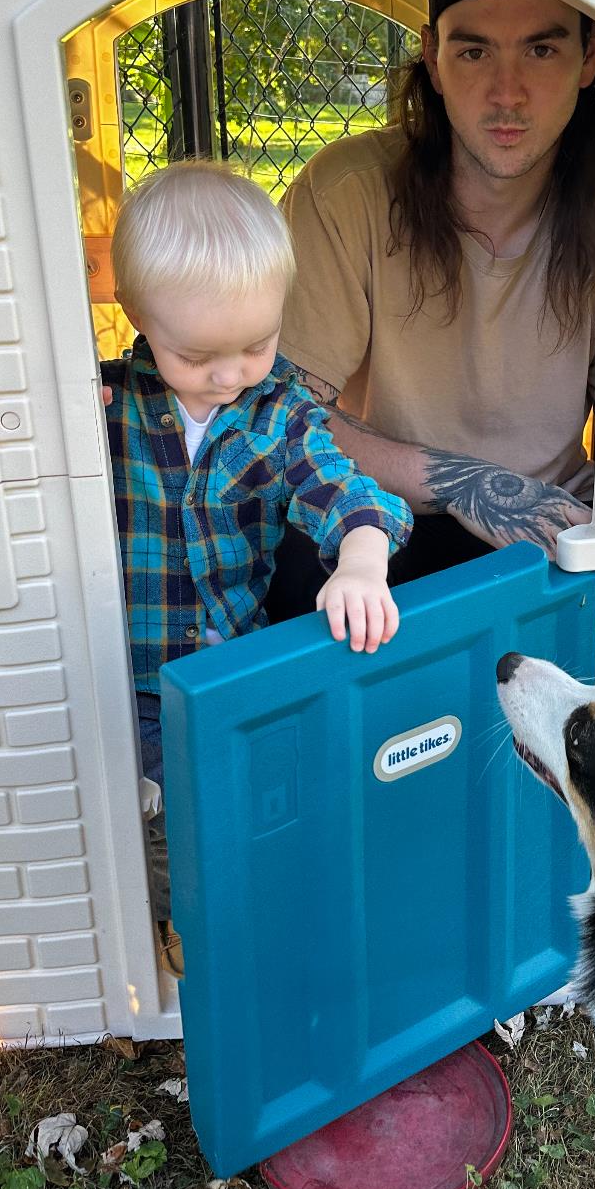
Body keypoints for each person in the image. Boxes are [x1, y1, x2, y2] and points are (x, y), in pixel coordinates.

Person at [101, 162, 412, 945]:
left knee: (245, 803)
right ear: (135, 314)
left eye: (255, 345)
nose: (229, 374)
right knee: (147, 824)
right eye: (195, 354)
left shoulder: (277, 416)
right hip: (125, 674)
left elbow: (349, 494)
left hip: (229, 665)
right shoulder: (104, 405)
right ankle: (173, 928)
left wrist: (362, 563)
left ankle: (239, 919)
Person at [267, 0, 595, 618]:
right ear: (433, 57)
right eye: (474, 52)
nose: (507, 93)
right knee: (301, 571)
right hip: (382, 516)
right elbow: (282, 413)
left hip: (554, 522)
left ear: (590, 55)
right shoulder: (348, 191)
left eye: (541, 50)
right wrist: (470, 484)